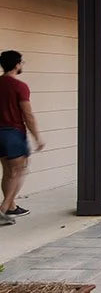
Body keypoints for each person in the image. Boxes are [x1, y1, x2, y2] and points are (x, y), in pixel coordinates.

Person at [0, 50, 45, 225]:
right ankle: (3, 209)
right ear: (17, 64)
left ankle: (11, 206)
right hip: (13, 133)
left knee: (8, 172)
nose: (22, 65)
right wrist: (37, 137)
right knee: (20, 171)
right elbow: (28, 114)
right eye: (22, 62)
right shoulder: (19, 86)